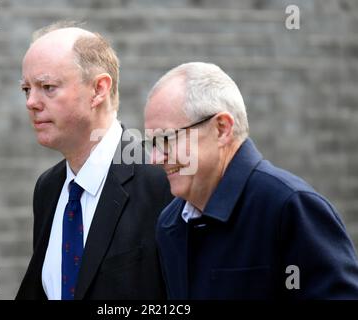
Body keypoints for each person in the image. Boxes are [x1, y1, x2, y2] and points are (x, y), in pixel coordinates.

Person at [144, 62, 358, 299]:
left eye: (166, 138)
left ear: (222, 129)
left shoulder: (290, 207)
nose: (155, 158)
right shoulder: (170, 224)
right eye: (153, 143)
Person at [16, 21, 172, 300]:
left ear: (99, 89)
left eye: (47, 87)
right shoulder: (48, 188)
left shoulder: (161, 179)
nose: (31, 102)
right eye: (27, 89)